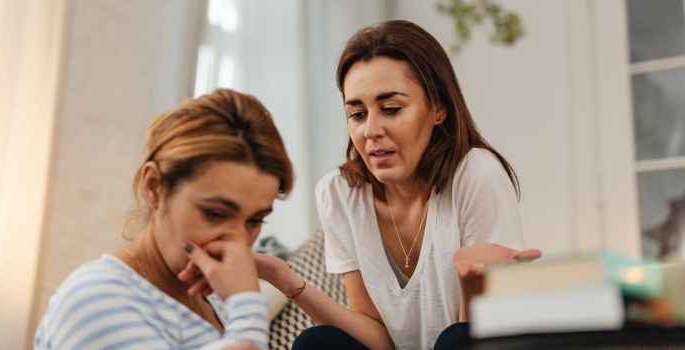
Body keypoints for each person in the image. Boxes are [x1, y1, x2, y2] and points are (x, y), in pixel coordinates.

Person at [254, 20, 541, 350]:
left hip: (470, 342)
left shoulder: (476, 175)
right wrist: (287, 281)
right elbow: (377, 338)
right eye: (357, 114)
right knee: (317, 342)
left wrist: (470, 284)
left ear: (438, 108)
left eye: (390, 109)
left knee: (457, 339)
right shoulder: (339, 194)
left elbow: (488, 338)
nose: (370, 130)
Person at [34, 88, 294, 350]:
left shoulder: (209, 299)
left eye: (254, 220)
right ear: (154, 186)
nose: (238, 243)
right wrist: (247, 309)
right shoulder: (94, 300)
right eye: (215, 214)